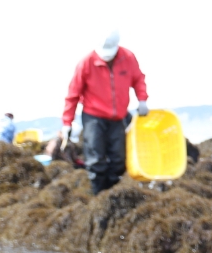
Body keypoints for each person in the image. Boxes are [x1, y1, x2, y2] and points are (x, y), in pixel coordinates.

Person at [61, 30, 148, 195]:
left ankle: (114, 192)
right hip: (94, 116)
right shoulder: (86, 63)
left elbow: (138, 79)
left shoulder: (128, 58)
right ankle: (98, 194)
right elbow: (72, 95)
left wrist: (142, 99)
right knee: (96, 159)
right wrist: (67, 122)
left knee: (118, 159)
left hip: (118, 117)